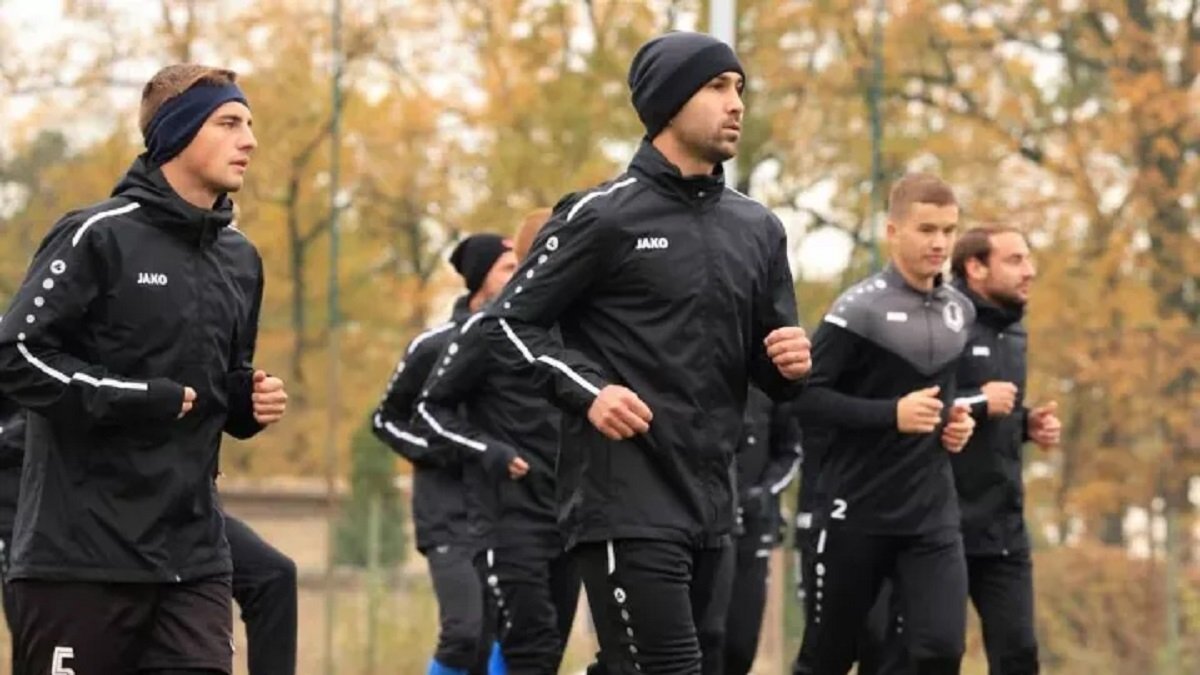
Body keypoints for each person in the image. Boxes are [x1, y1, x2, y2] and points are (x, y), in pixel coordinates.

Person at [480, 31, 811, 675]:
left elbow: (772, 369)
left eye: (740, 87)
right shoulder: (602, 216)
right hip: (623, 499)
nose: (737, 102)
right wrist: (590, 392)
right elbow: (508, 326)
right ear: (668, 102)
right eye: (717, 86)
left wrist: (790, 365)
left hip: (713, 502)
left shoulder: (759, 228)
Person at [0, 64, 287, 675]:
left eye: (249, 124)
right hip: (81, 560)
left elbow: (222, 385)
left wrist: (247, 403)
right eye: (229, 123)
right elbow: (16, 355)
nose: (249, 140)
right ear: (176, 133)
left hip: (193, 560)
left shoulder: (240, 259)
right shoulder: (96, 235)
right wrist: (131, 396)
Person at [791, 173, 976, 675]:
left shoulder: (961, 310)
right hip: (856, 513)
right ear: (892, 232)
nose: (940, 243)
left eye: (949, 230)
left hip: (932, 516)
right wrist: (890, 414)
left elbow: (948, 396)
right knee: (829, 658)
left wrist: (956, 423)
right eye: (926, 229)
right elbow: (804, 398)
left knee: (941, 651)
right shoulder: (858, 311)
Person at [414, 206, 581, 674]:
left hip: (570, 519)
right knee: (529, 647)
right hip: (508, 521)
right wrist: (490, 452)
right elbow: (429, 408)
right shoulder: (488, 330)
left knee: (549, 654)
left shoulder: (580, 331)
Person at [373, 232, 518, 675]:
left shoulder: (520, 344)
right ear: (479, 278)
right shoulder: (431, 347)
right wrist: (440, 452)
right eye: (508, 268)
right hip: (447, 516)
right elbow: (385, 420)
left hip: (505, 514)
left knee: (504, 635)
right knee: (463, 633)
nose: (518, 275)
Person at [947, 224, 1060, 674]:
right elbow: (916, 405)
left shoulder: (1015, 333)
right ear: (975, 267)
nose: (1029, 271)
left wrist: (1027, 424)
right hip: (940, 526)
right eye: (1015, 260)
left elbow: (1000, 412)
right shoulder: (941, 322)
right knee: (934, 654)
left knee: (1019, 655)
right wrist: (978, 402)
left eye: (1028, 259)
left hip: (1004, 527)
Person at [722, 386, 802, 675]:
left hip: (752, 527)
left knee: (741, 644)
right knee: (705, 636)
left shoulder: (770, 386)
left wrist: (763, 493)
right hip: (704, 523)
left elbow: (789, 452)